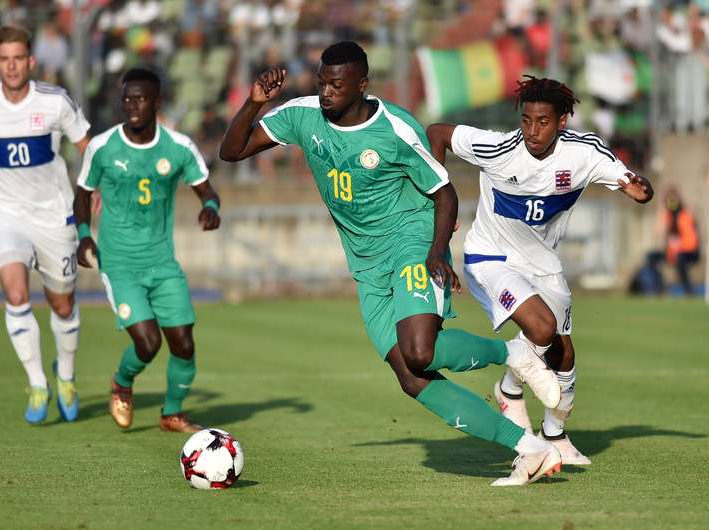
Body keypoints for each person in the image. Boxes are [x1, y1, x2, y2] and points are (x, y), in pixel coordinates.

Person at [220, 41, 564, 486]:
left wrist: (437, 252)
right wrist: (254, 103)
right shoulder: (302, 114)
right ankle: (529, 448)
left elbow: (445, 193)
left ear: (362, 86)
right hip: (365, 263)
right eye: (322, 82)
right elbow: (232, 152)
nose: (326, 92)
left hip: (411, 241)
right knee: (410, 375)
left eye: (337, 85)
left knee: (420, 349)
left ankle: (512, 352)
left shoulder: (397, 129)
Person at [427, 75, 654, 465]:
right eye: (527, 120)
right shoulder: (498, 147)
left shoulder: (583, 154)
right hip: (490, 257)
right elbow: (438, 133)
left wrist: (640, 189)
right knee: (542, 329)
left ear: (562, 120)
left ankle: (555, 434)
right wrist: (434, 198)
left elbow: (634, 184)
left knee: (563, 355)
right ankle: (510, 392)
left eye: (542, 122)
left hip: (544, 264)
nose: (532, 131)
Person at [0, 25, 90, 425]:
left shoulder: (55, 101)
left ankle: (66, 375)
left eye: (18, 58)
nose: (11, 66)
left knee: (62, 303)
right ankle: (38, 382)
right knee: (14, 292)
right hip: (6, 214)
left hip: (54, 215)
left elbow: (87, 146)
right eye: (3, 59)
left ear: (31, 61)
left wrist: (92, 191)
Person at [73, 67, 220, 433]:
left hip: (162, 261)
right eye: (126, 99)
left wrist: (211, 209)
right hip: (120, 263)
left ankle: (171, 414)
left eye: (139, 99)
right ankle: (122, 383)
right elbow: (82, 192)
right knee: (148, 342)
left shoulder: (178, 147)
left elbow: (207, 190)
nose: (131, 105)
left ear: (156, 102)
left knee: (183, 344)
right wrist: (83, 235)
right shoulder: (103, 147)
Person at [650, 187, 700, 295]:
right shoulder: (667, 215)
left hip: (688, 251)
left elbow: (691, 237)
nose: (672, 202)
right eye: (670, 199)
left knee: (681, 261)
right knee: (652, 258)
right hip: (673, 252)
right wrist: (662, 210)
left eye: (674, 199)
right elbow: (657, 231)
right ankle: (659, 289)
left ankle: (688, 291)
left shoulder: (685, 214)